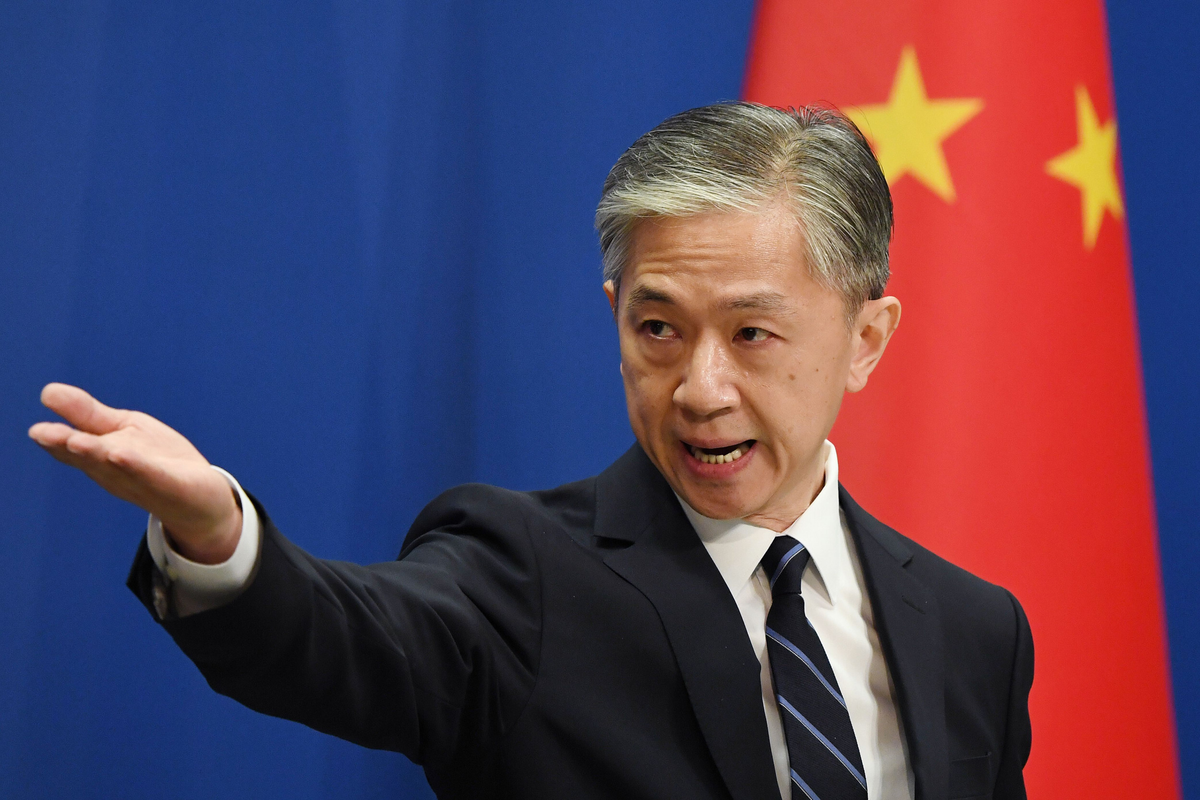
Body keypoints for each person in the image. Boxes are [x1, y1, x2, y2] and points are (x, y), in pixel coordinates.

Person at [29, 103, 1032, 800]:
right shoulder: (520, 573)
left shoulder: (974, 632)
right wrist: (219, 538)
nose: (699, 388)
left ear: (866, 340)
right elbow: (343, 638)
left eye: (752, 334)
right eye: (657, 328)